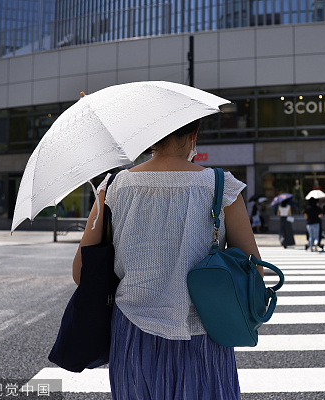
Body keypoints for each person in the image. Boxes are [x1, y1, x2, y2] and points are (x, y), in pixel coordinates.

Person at [72, 119, 260, 399]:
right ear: (194, 133)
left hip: (133, 333)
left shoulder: (112, 187)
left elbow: (80, 273)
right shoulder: (221, 186)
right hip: (205, 330)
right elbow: (254, 271)